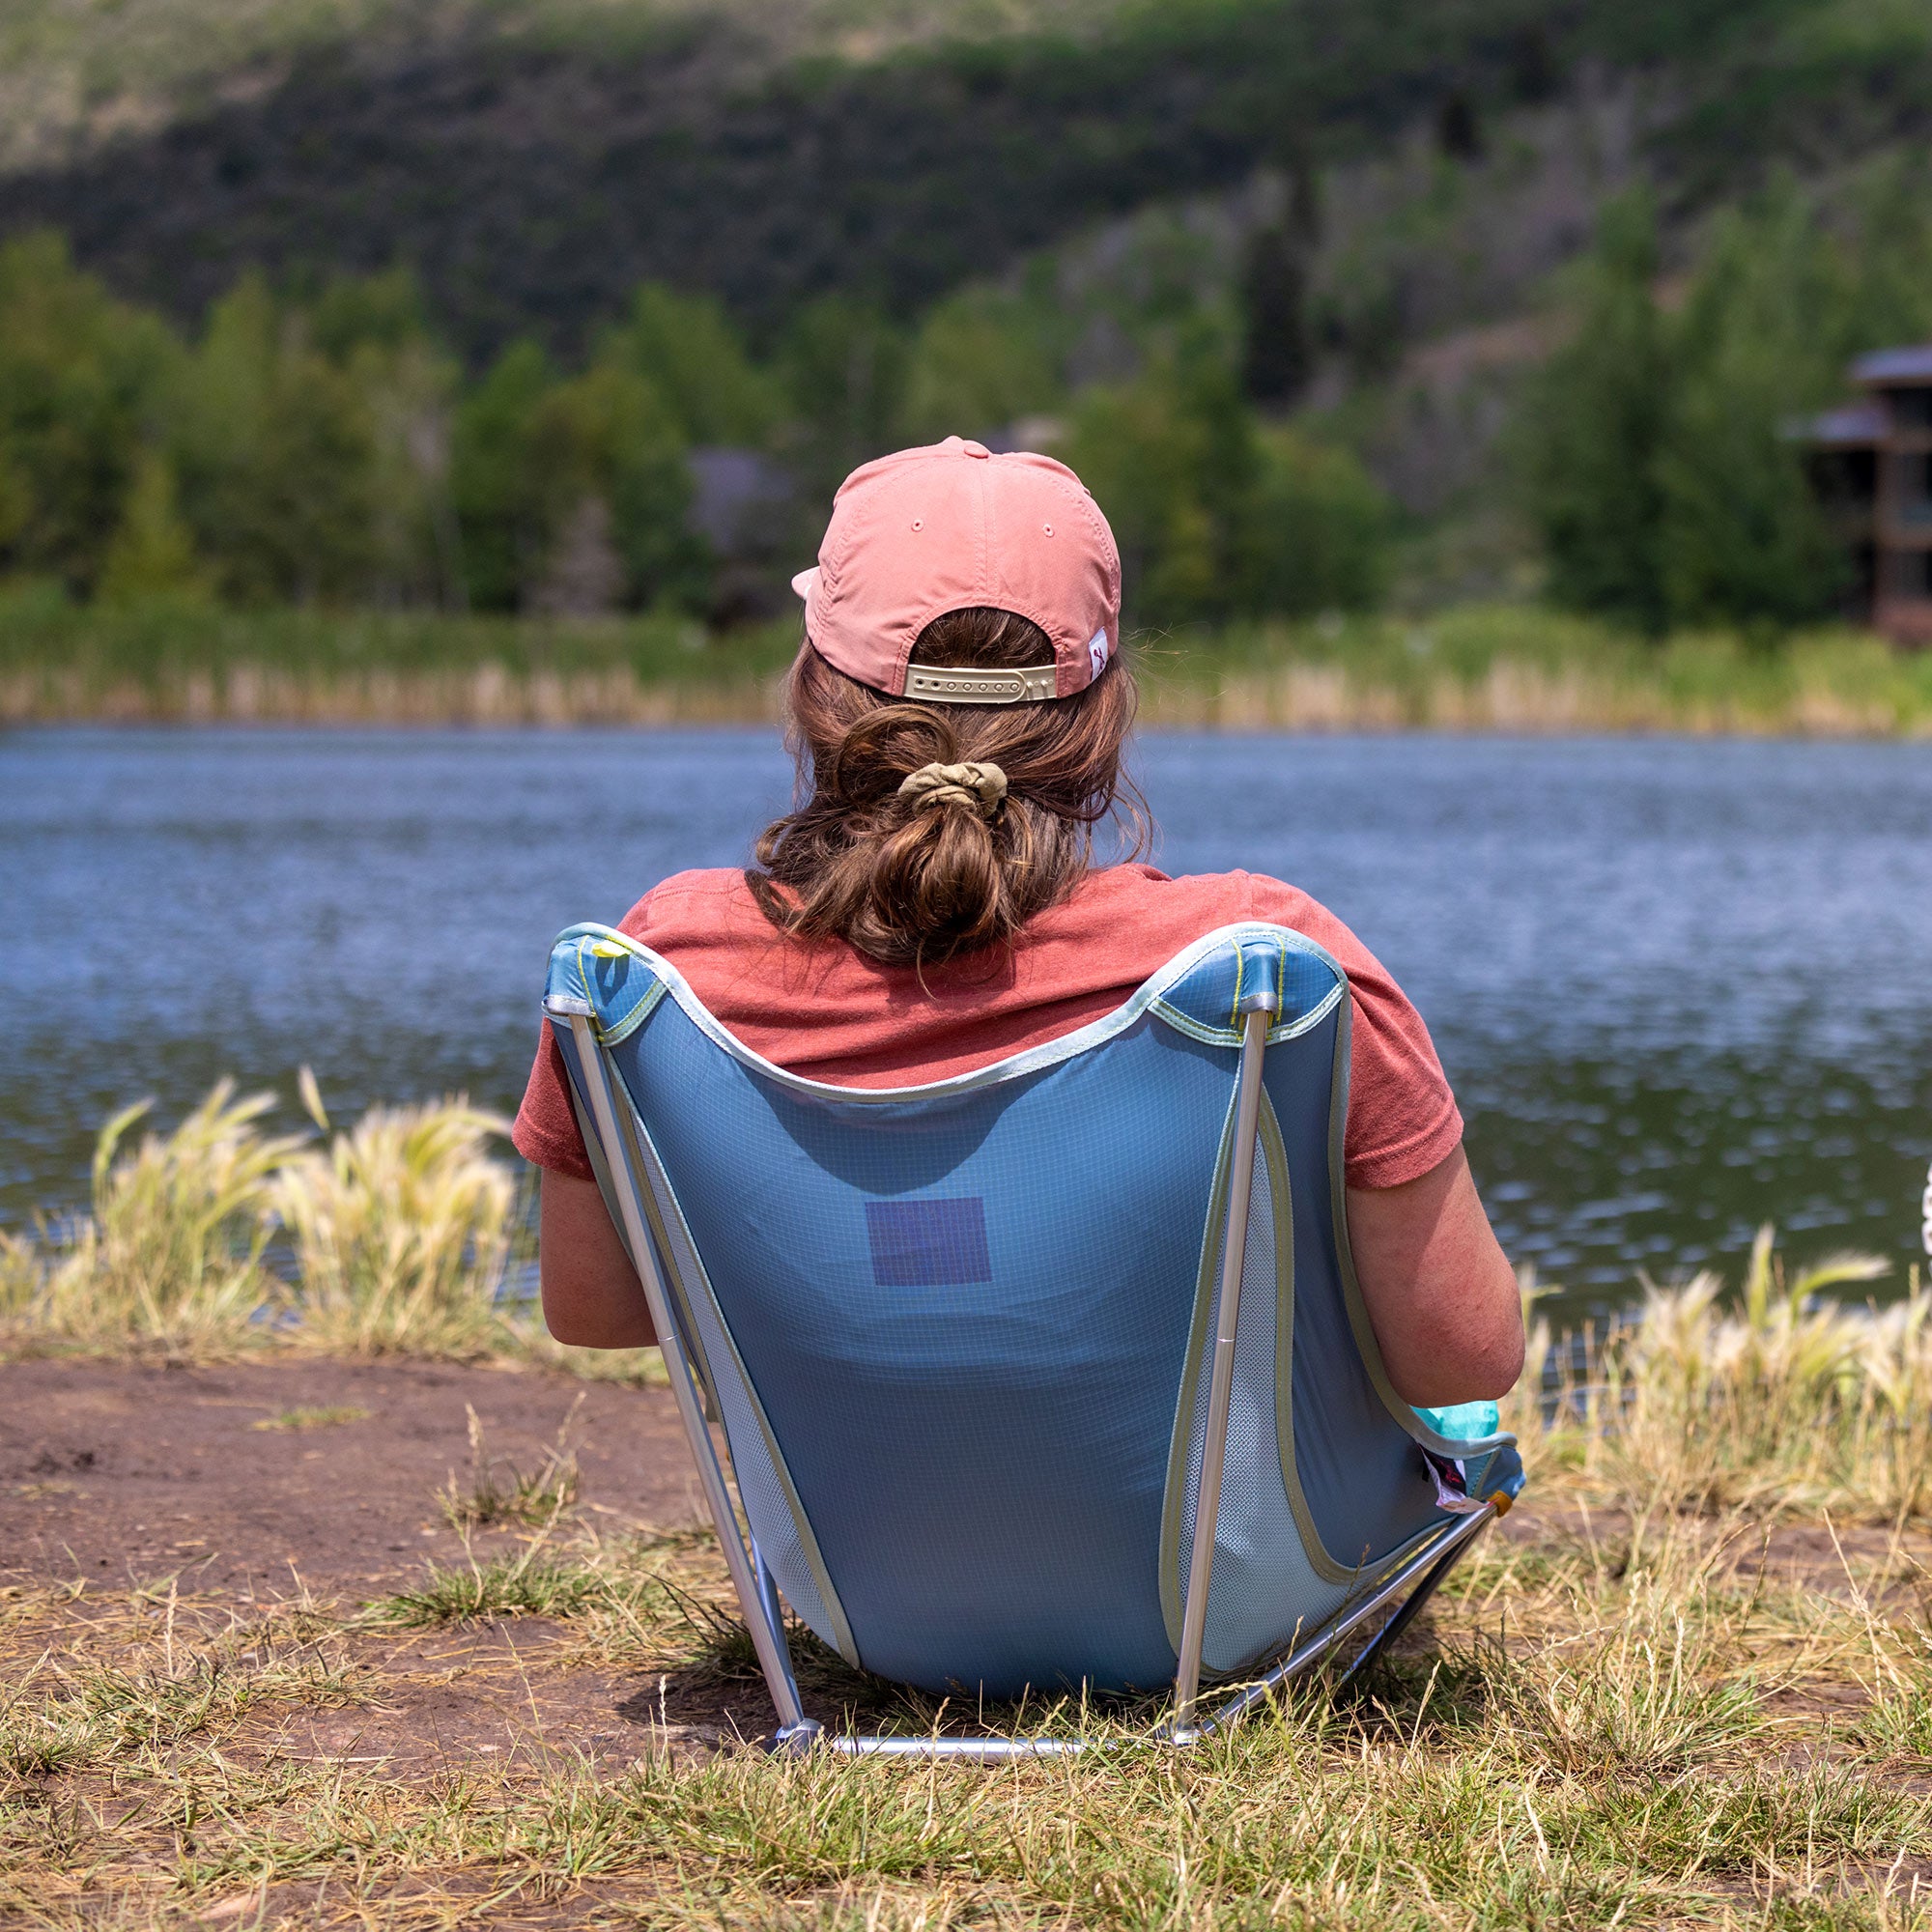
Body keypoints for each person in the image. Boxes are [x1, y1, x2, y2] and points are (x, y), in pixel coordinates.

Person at [513, 437, 1524, 1406]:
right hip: (1218, 1584)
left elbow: (595, 1305)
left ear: (817, 688)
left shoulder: (666, 962)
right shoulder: (1263, 964)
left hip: (856, 1572)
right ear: (1101, 709)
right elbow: (1463, 1357)